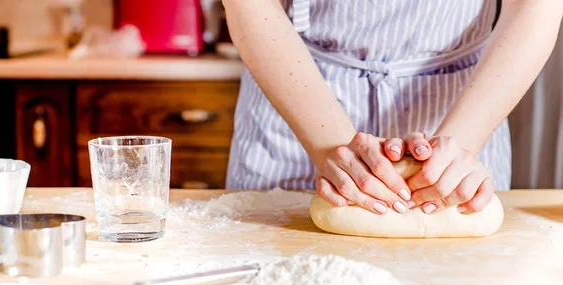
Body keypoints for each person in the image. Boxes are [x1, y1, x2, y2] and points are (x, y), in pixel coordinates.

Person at [222, 0, 563, 215]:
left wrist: (460, 146)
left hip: (462, 109)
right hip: (297, 98)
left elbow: (535, 6)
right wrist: (330, 146)